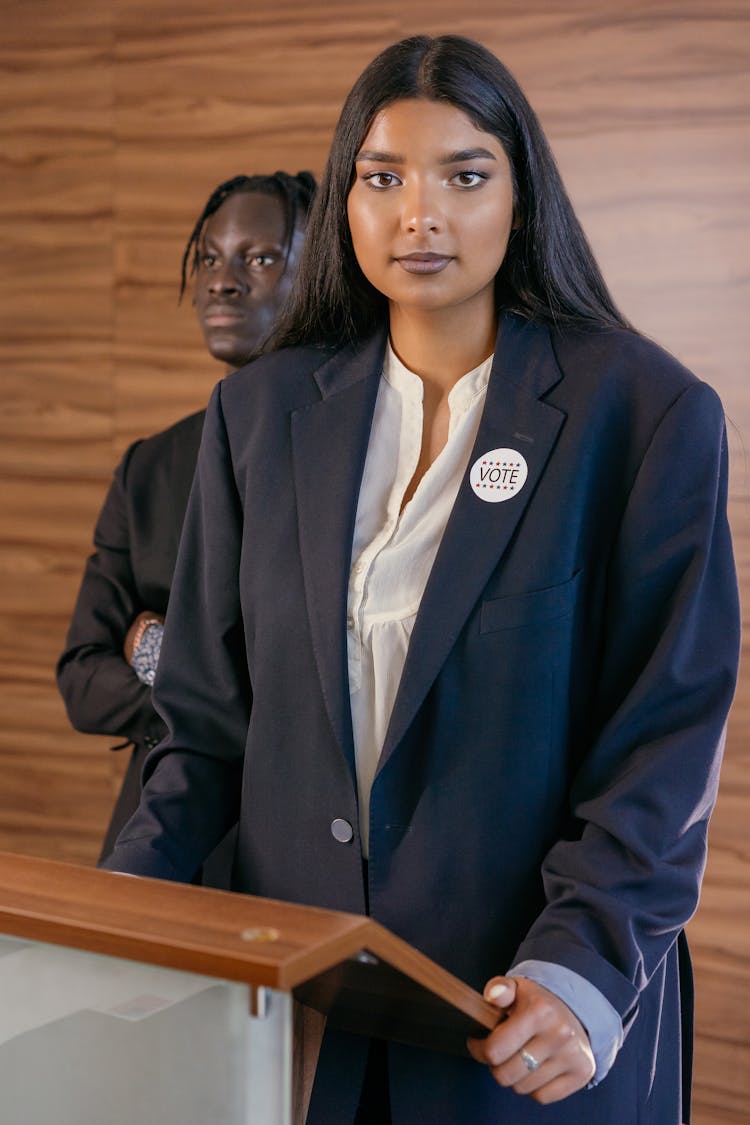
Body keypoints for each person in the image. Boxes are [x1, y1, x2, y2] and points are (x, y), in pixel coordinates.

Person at [101, 35, 739, 1125]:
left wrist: (581, 967)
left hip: (511, 1017)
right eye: (383, 177)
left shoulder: (640, 412)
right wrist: (117, 922)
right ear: (348, 197)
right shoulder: (260, 416)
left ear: (522, 195)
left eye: (465, 175)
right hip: (296, 1015)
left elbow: (663, 736)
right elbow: (201, 726)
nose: (419, 216)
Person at [57, 171, 316, 874]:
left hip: (296, 853)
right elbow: (82, 676)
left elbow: (316, 681)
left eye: (259, 258)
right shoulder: (150, 467)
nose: (221, 282)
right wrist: (216, 697)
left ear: (319, 272)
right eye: (208, 257)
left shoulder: (348, 458)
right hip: (155, 839)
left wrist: (152, 647)